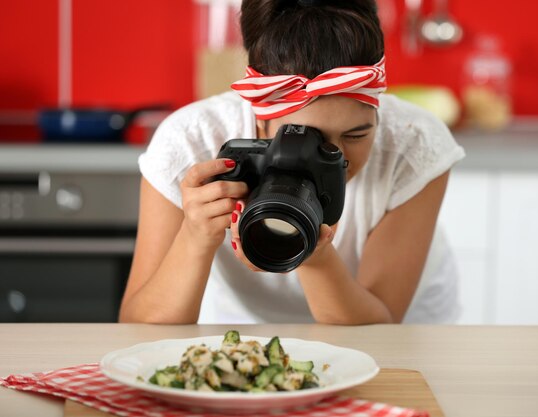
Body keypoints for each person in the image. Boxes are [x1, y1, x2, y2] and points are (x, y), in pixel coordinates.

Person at [119, 0, 465, 325]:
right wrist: (194, 237)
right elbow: (138, 329)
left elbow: (378, 329)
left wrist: (314, 255)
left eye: (356, 135)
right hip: (246, 331)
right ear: (259, 122)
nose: (337, 160)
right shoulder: (191, 141)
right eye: (307, 138)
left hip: (405, 335)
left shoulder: (414, 143)